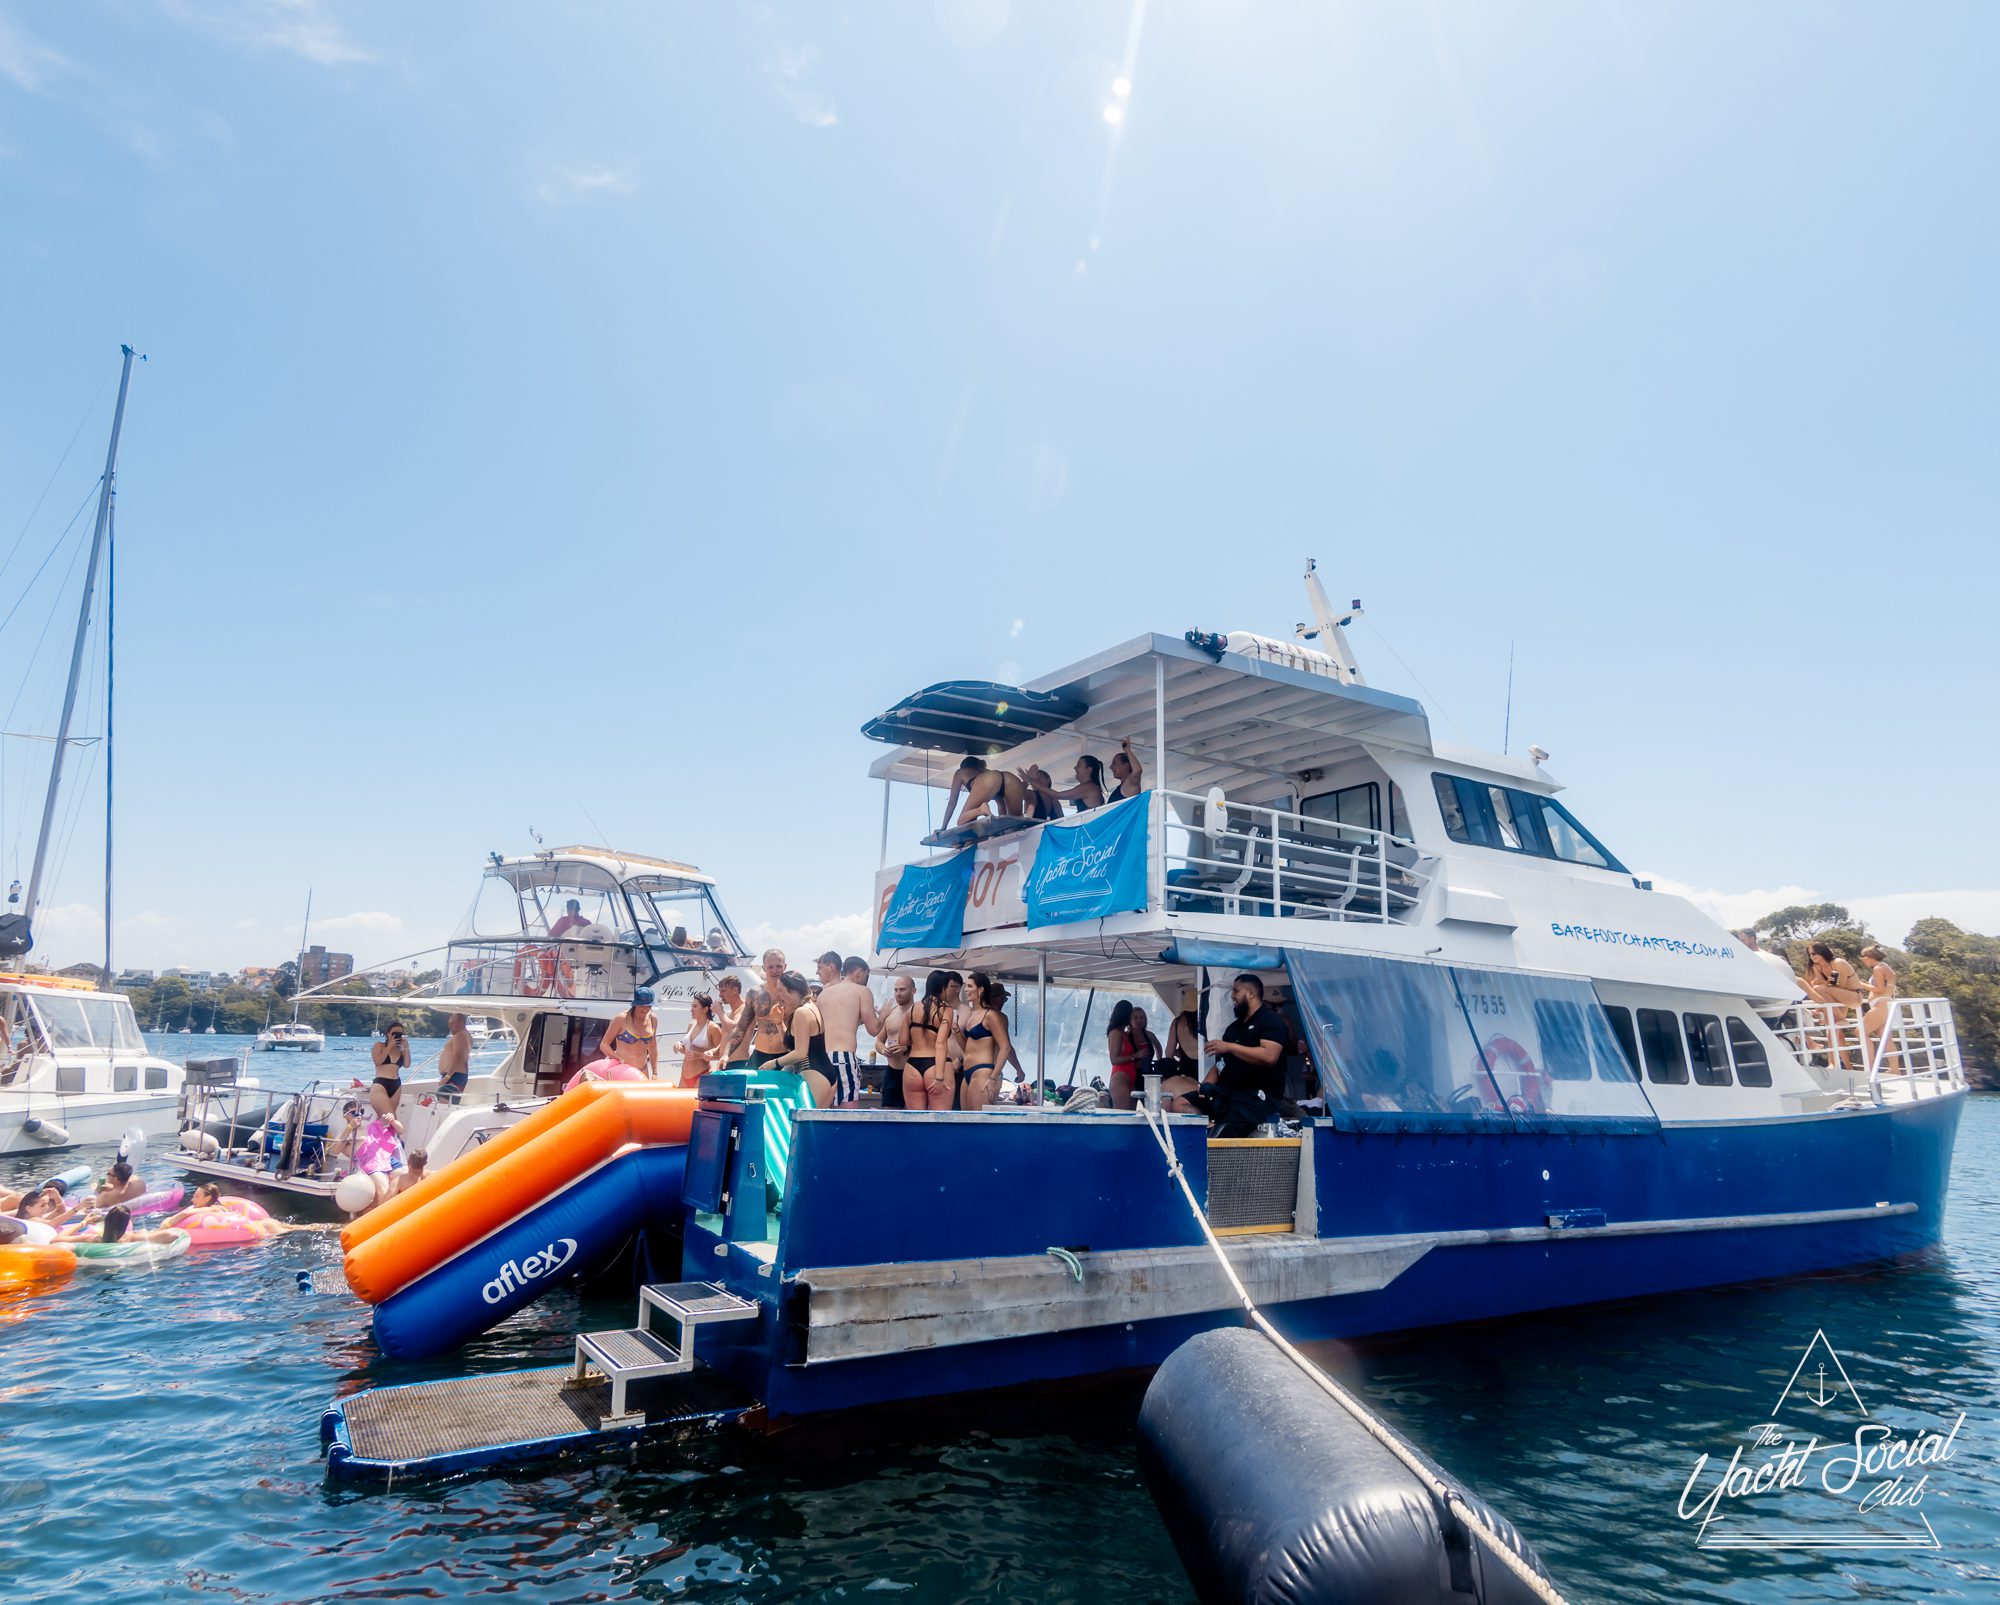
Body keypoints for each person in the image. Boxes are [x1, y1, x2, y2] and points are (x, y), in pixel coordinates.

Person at [1184, 973, 1290, 1137]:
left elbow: (1269, 1056)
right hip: (1226, 1093)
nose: (1232, 996)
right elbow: (1220, 1064)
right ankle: (1204, 1129)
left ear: (1251, 993)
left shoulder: (1270, 1020)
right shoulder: (1233, 1028)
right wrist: (1205, 1085)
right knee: (1180, 1103)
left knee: (1222, 1130)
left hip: (1255, 1097)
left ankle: (1212, 1133)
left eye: (1236, 991)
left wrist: (1229, 1047)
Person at [817, 955, 882, 1107]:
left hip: (823, 1058)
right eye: (866, 976)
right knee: (848, 1112)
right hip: (843, 1057)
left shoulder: (824, 994)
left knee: (823, 1111)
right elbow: (873, 1029)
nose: (867, 980)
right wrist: (884, 1014)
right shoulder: (862, 991)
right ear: (859, 972)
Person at [763, 971, 835, 1108]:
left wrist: (774, 1063)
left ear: (793, 991)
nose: (779, 995)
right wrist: (779, 1023)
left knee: (803, 1120)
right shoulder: (810, 1006)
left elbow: (800, 1053)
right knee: (813, 1121)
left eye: (781, 990)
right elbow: (794, 1045)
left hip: (813, 1074)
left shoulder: (801, 1012)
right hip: (823, 1073)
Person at [1802, 942, 1867, 1069]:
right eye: (1809, 954)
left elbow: (1839, 985)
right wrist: (1823, 984)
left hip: (1853, 996)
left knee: (1818, 989)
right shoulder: (1817, 967)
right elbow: (1822, 984)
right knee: (1831, 1028)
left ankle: (1840, 1019)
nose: (1812, 956)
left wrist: (1822, 982)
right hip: (1835, 999)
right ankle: (1835, 1063)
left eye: (1814, 953)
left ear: (1822, 951)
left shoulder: (1838, 963)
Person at [959, 980, 1013, 1112]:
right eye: (1003, 999)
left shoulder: (996, 1017)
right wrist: (955, 1030)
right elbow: (968, 1046)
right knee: (965, 1119)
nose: (1003, 1002)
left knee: (978, 1118)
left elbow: (1006, 1047)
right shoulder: (974, 1014)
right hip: (969, 1070)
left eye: (970, 986)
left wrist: (994, 1077)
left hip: (985, 1070)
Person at [907, 970, 958, 1110]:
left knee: (915, 1120)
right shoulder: (945, 1009)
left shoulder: (912, 1008)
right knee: (940, 1119)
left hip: (912, 1066)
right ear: (942, 987)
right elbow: (940, 1043)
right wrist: (939, 1077)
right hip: (936, 1066)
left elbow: (903, 1040)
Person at [940, 756, 1027, 831]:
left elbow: (952, 802)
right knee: (1015, 823)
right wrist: (1001, 828)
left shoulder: (960, 772)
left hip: (989, 780)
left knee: (962, 821)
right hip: (1010, 778)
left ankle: (981, 809)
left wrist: (943, 828)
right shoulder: (985, 772)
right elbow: (1001, 805)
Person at [1021, 753, 1106, 815]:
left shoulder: (1089, 787)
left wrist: (1030, 780)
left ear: (1089, 769)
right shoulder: (1089, 787)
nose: (1075, 768)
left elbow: (1058, 795)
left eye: (1079, 765)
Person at [601, 989, 660, 1078]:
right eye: (642, 1005)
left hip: (643, 1071)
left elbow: (653, 1047)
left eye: (648, 1006)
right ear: (635, 1004)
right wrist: (618, 1058)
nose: (645, 1009)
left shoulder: (653, 1019)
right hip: (623, 1071)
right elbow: (604, 1045)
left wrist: (655, 1072)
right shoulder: (621, 1019)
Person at [1860, 944, 1901, 1071]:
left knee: (1860, 1032)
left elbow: (1879, 989)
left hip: (1880, 1005)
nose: (1863, 960)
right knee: (1885, 1037)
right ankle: (1895, 1069)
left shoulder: (1878, 968)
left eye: (1863, 957)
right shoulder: (1885, 967)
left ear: (1869, 957)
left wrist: (1860, 984)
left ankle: (1871, 1068)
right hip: (1885, 1005)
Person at [878, 973, 915, 1110]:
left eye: (902, 989)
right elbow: (878, 1041)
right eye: (896, 990)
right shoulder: (891, 1014)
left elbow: (929, 1042)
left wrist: (907, 1046)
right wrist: (883, 1050)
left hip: (913, 1069)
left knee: (914, 1112)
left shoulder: (920, 1012)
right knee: (890, 1113)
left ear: (913, 991)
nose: (898, 993)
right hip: (893, 1070)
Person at [674, 993, 724, 1088]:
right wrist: (679, 1045)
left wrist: (699, 1055)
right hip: (684, 1076)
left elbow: (720, 1055)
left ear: (705, 1009)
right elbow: (688, 1049)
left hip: (702, 1075)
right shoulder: (691, 1025)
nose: (691, 1009)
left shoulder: (713, 1028)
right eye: (692, 1006)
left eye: (695, 1006)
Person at [1106, 1000, 1144, 1110]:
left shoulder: (1124, 1033)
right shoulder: (1116, 1033)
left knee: (1131, 1114)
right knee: (1123, 1113)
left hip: (1129, 1078)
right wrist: (1135, 1055)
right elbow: (1114, 1059)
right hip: (1120, 1079)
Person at [371, 1021, 412, 1115]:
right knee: (391, 1118)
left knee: (384, 1119)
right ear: (388, 1034)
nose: (396, 1036)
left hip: (396, 1085)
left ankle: (374, 1126)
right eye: (394, 1033)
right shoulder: (379, 1045)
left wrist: (406, 1047)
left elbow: (407, 1064)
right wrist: (390, 1046)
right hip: (381, 1084)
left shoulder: (400, 1050)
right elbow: (377, 1061)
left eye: (400, 1034)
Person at [715, 974, 754, 1070]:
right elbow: (727, 1038)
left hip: (738, 1063)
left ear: (735, 990)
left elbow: (734, 1029)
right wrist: (714, 1051)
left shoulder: (745, 1008)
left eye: (723, 991)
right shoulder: (730, 1014)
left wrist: (720, 1011)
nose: (720, 995)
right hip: (725, 1064)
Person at [437, 1013, 472, 1102]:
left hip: (454, 1076)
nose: (449, 1026)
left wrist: (447, 1077)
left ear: (461, 1022)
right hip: (457, 1075)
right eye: (449, 1023)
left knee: (445, 1104)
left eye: (452, 1023)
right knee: (449, 1104)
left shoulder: (460, 1035)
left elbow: (458, 1057)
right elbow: (464, 1059)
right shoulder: (465, 1035)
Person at [1107, 737, 1145, 801]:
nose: (1110, 767)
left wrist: (1128, 751)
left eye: (1114, 763)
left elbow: (1137, 770)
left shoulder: (1131, 784)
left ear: (1126, 765)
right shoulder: (1124, 785)